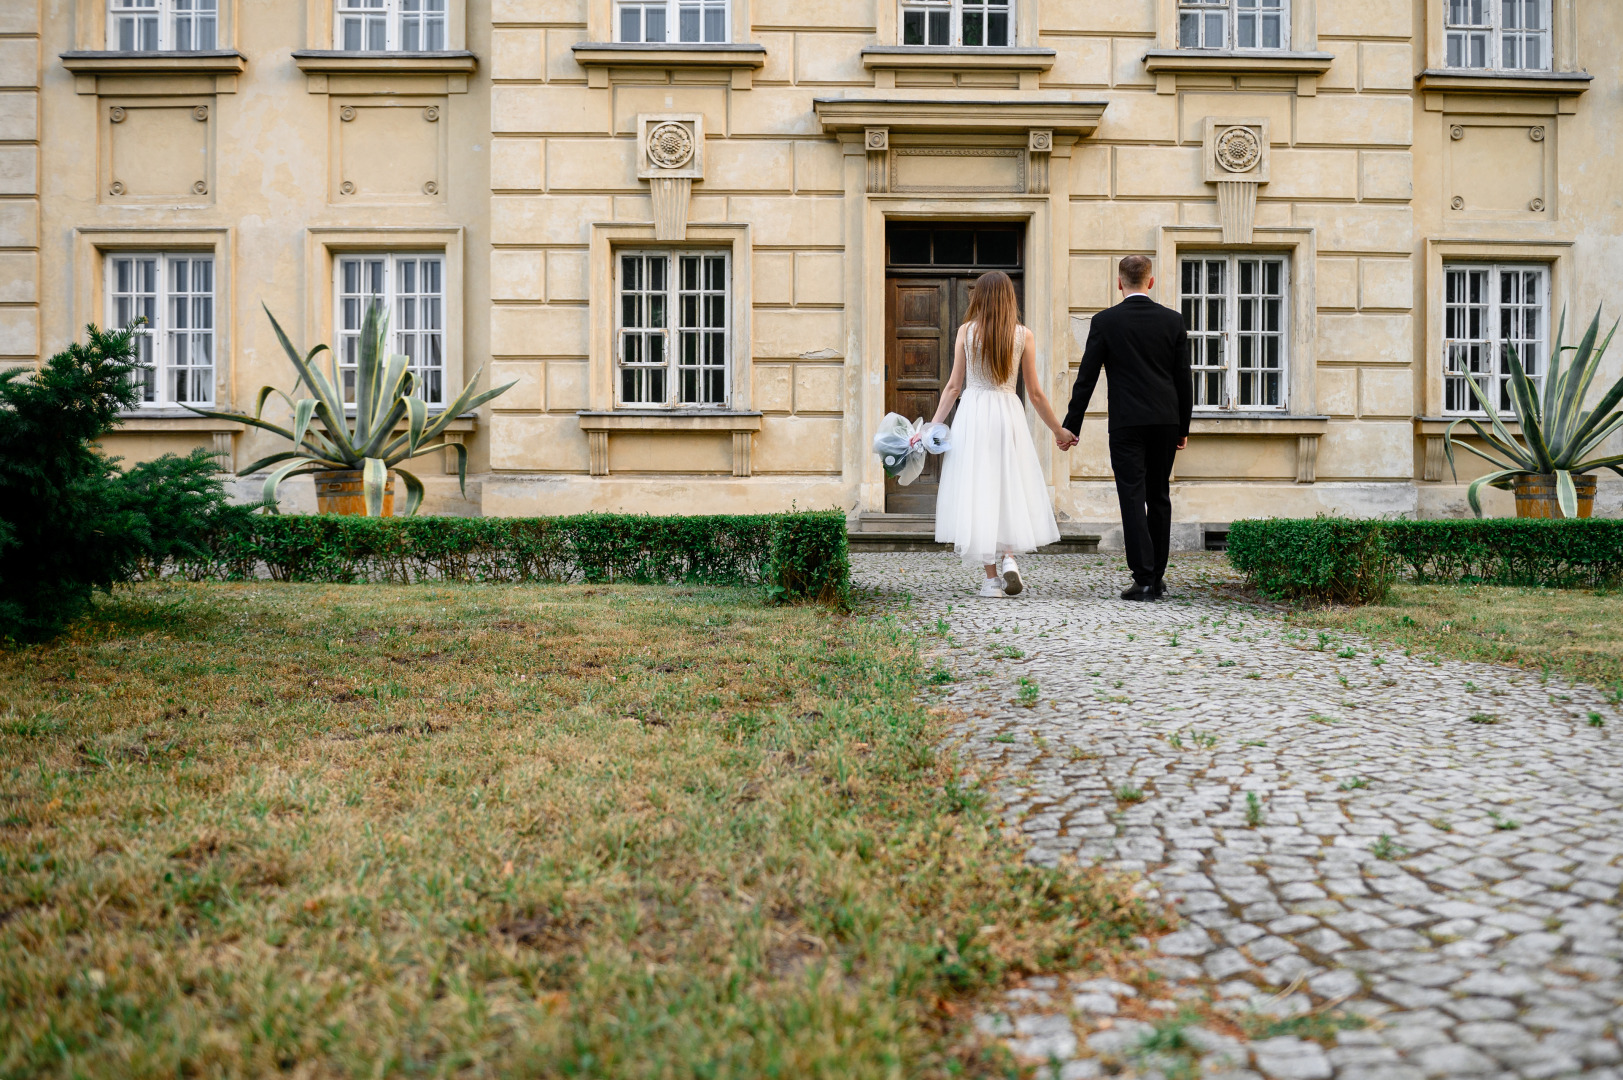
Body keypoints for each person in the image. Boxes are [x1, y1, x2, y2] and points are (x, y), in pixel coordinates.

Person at [1057, 255, 1193, 602]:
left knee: (1132, 496)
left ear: (1119, 283)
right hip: (1165, 420)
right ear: (1150, 281)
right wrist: (1183, 428)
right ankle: (1157, 578)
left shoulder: (1105, 321)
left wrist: (1072, 426)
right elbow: (1183, 380)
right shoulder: (1173, 321)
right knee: (1158, 496)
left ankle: (1144, 579)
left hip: (1127, 423)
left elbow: (1086, 378)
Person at [931, 270, 1067, 598]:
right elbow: (1034, 393)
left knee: (979, 488)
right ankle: (1009, 558)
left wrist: (933, 426)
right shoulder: (1023, 335)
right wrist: (1058, 430)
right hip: (1008, 413)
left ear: (978, 296)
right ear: (1010, 298)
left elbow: (953, 386)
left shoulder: (967, 332)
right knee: (1008, 484)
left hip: (974, 414)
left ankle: (992, 579)